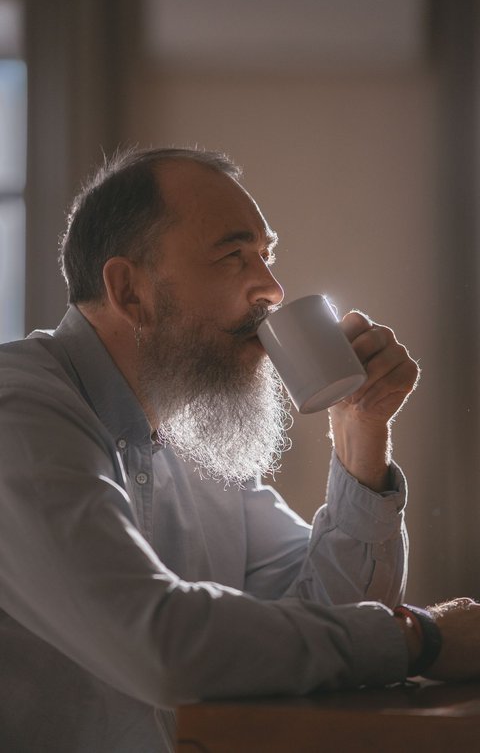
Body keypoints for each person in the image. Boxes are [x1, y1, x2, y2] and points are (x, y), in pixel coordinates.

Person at [0, 146, 479, 753]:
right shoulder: (18, 412)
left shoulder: (186, 438)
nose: (273, 290)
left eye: (266, 255)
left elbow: (334, 612)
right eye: (233, 257)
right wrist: (422, 639)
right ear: (129, 291)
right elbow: (162, 644)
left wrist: (361, 434)